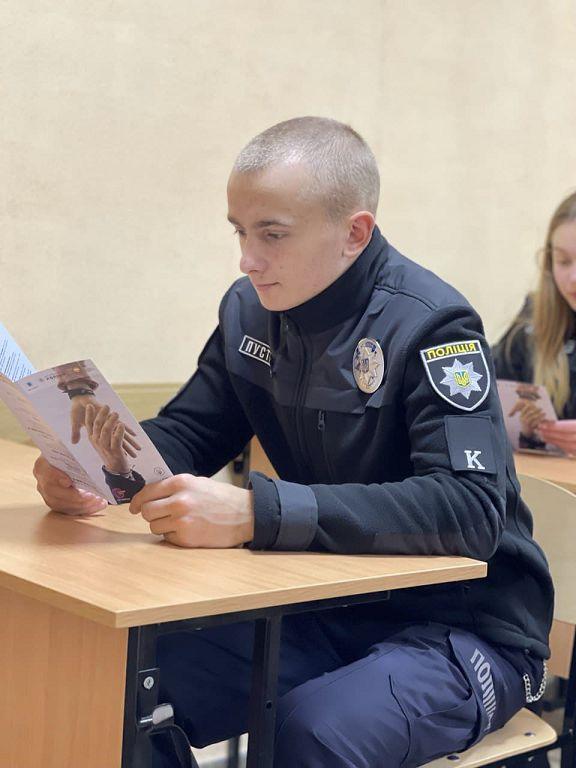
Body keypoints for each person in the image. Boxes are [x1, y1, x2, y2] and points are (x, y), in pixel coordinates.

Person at [33, 117, 553, 768]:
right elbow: (193, 429)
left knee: (312, 731)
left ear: (354, 233)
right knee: (110, 678)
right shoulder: (249, 311)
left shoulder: (434, 325)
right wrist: (97, 467)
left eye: (272, 235)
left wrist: (258, 512)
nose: (247, 259)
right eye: (240, 232)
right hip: (322, 604)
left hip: (465, 627)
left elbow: (470, 511)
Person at [493, 191, 576, 453]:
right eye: (563, 261)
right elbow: (486, 389)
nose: (573, 278)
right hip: (540, 476)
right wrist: (525, 429)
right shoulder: (532, 322)